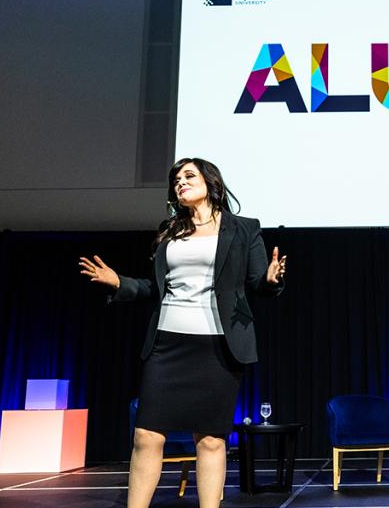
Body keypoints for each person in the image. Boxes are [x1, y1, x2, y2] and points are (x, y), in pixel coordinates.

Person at [79, 157, 286, 508]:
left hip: (219, 346)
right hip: (167, 344)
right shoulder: (169, 230)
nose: (180, 182)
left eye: (188, 175)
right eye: (176, 179)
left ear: (211, 183)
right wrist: (120, 283)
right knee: (146, 435)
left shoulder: (244, 229)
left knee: (209, 440)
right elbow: (156, 289)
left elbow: (255, 284)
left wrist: (270, 279)